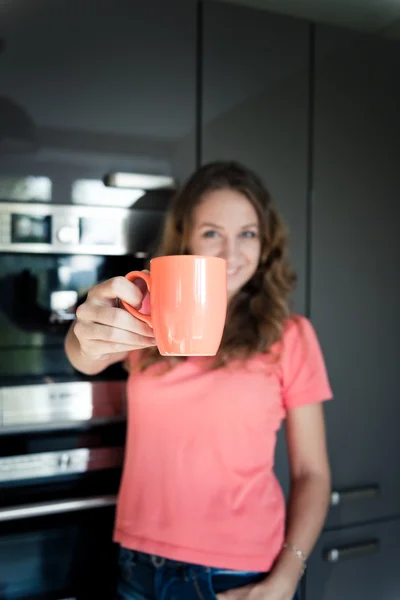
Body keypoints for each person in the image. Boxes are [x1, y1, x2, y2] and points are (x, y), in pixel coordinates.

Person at [65, 161, 332, 600]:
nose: (230, 253)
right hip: (138, 565)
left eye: (247, 233)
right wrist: (84, 333)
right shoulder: (147, 316)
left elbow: (312, 473)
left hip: (239, 577)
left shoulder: (291, 336)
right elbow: (86, 358)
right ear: (185, 238)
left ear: (266, 244)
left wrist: (286, 579)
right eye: (212, 233)